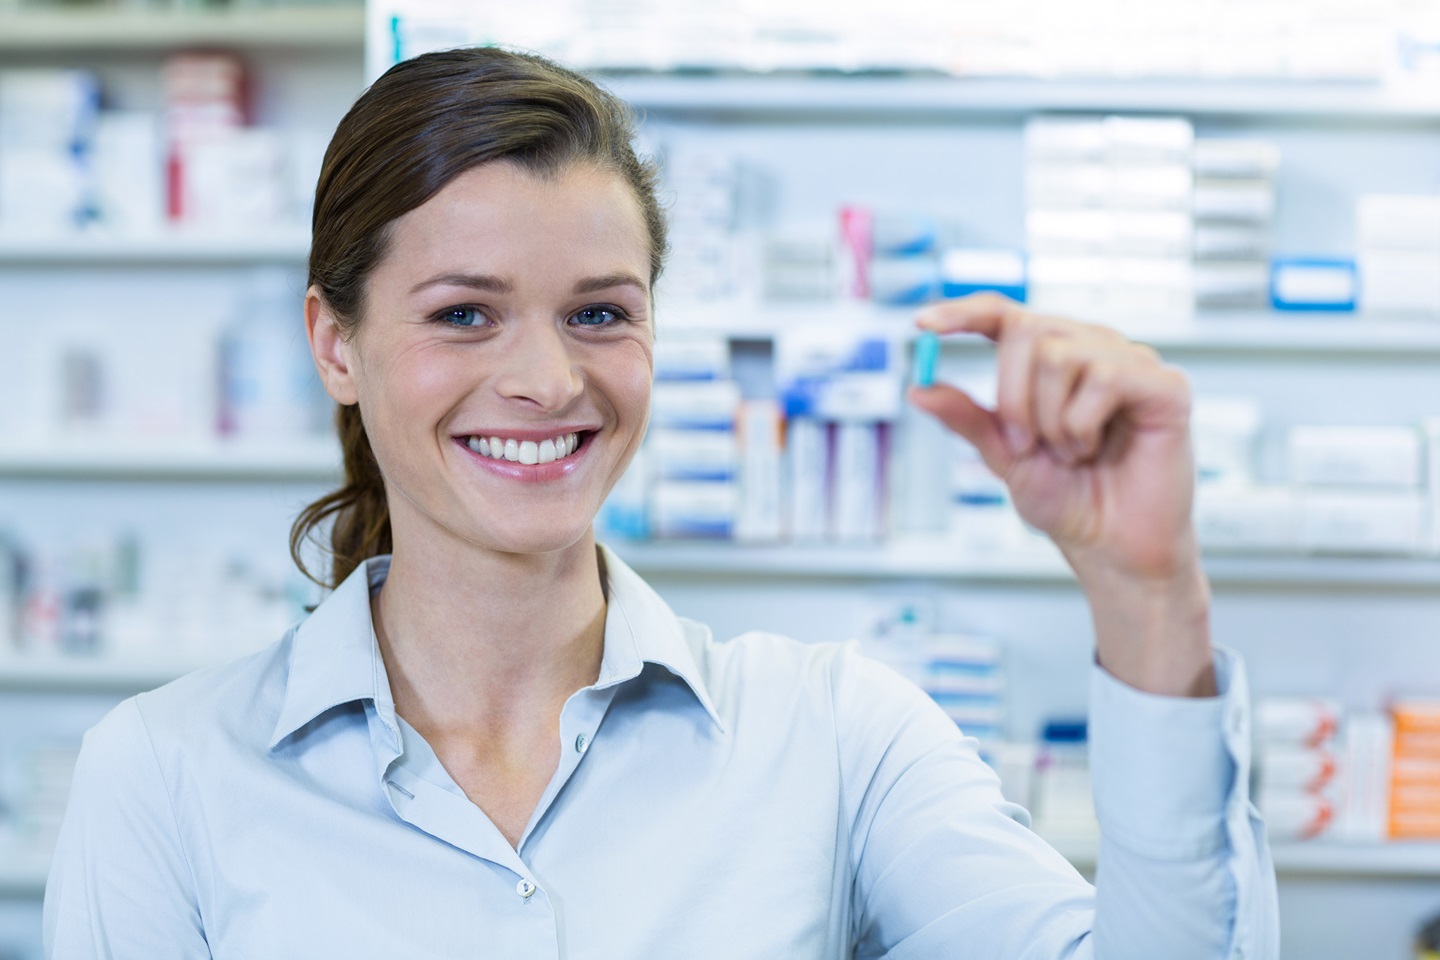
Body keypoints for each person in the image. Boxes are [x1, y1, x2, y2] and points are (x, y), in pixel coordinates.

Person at [43, 47, 1278, 959]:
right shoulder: (165, 777)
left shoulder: (838, 739)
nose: (547, 380)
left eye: (599, 313)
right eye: (463, 313)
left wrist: (1148, 596)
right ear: (335, 344)